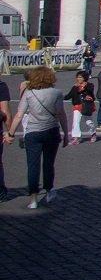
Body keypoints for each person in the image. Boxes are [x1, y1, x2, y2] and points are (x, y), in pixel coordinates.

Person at [4, 67, 68, 208]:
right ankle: (49, 190)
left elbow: (19, 115)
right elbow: (61, 114)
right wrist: (66, 134)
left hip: (33, 132)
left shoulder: (29, 93)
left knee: (32, 166)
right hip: (51, 131)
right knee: (48, 163)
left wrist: (11, 133)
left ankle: (33, 198)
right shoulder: (57, 93)